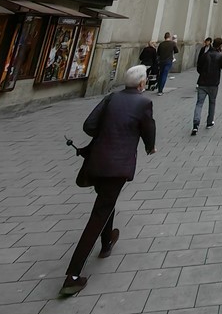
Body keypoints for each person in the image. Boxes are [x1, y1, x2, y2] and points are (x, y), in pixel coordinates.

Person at [61, 65, 155, 296]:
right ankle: (73, 276)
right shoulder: (143, 103)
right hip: (117, 166)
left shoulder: (112, 97)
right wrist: (149, 147)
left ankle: (107, 242)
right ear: (142, 83)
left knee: (106, 201)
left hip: (97, 161)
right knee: (99, 212)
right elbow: (148, 129)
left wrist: (109, 132)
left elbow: (89, 125)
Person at [192, 39, 222, 136]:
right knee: (212, 102)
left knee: (199, 103)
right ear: (220, 45)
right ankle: (209, 122)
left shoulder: (205, 55)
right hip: (213, 83)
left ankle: (195, 124)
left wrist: (203, 74)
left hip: (202, 82)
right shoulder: (220, 56)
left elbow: (199, 67)